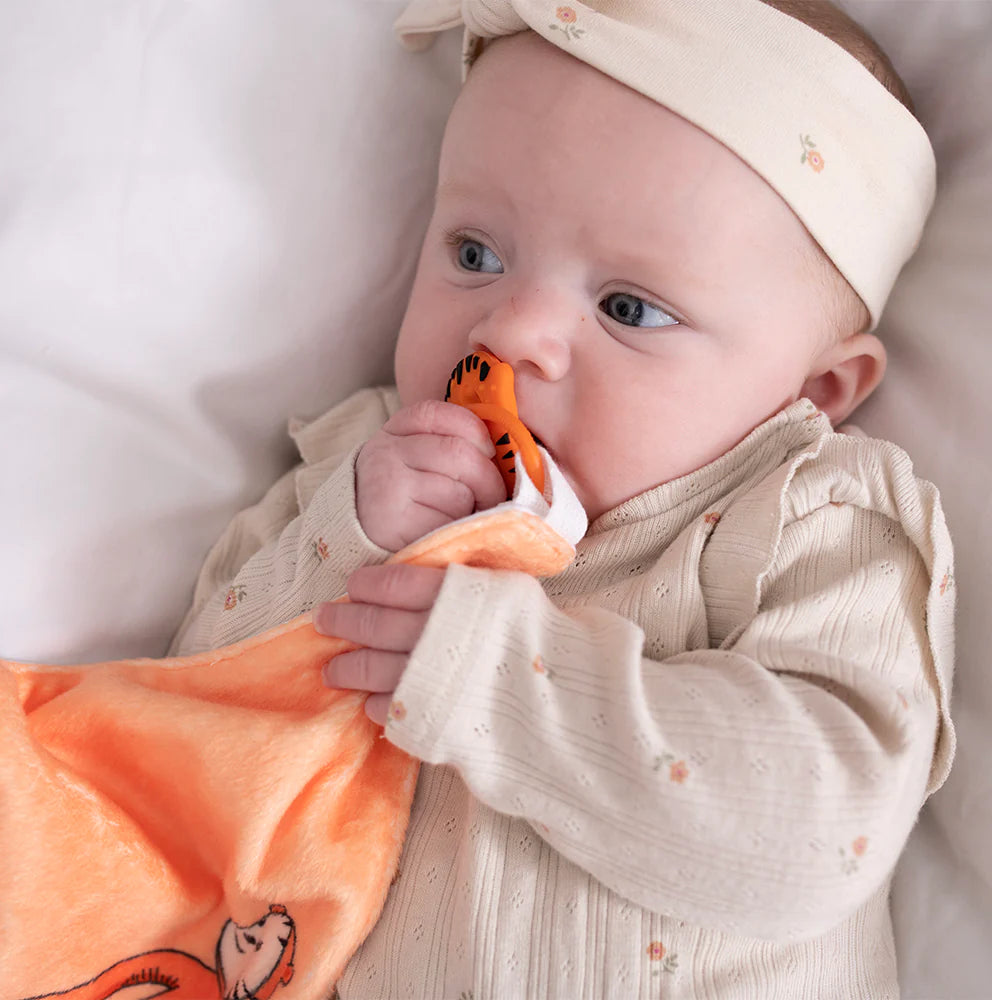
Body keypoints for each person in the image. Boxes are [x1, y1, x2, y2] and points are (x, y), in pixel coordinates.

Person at [171, 0, 955, 995]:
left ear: (818, 390)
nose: (506, 333)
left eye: (628, 307)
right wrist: (344, 541)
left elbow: (824, 832)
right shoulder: (365, 472)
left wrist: (504, 683)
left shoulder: (811, 518)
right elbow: (178, 717)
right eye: (476, 255)